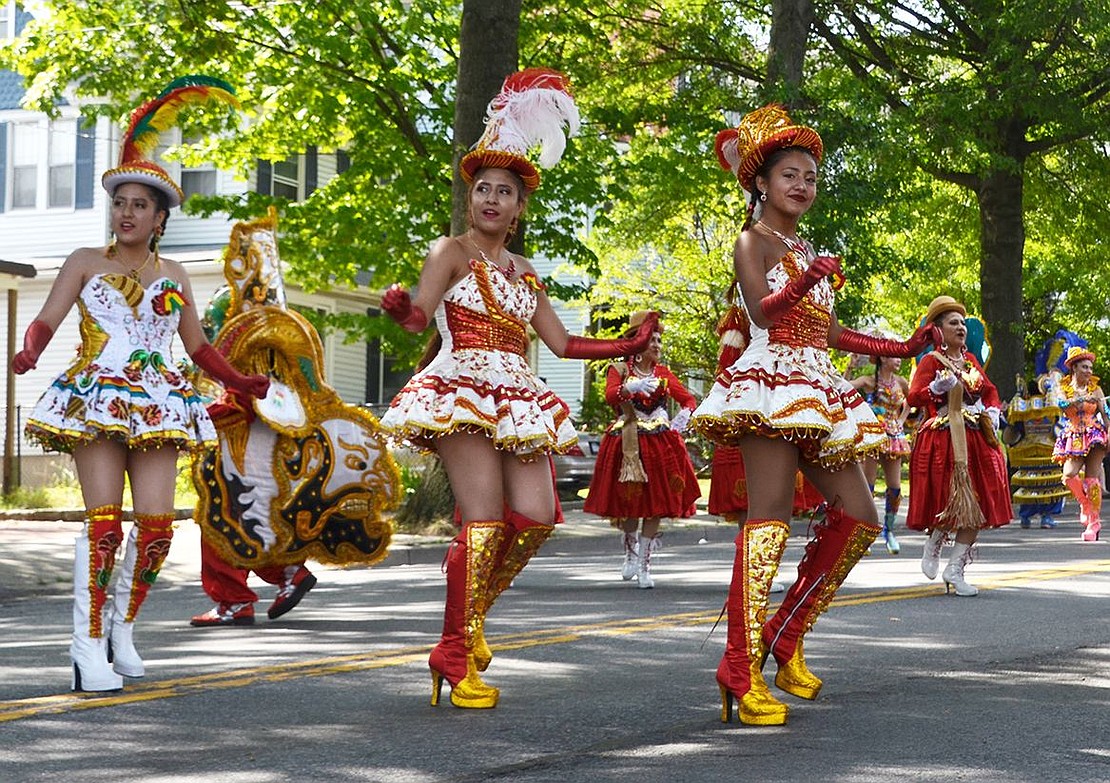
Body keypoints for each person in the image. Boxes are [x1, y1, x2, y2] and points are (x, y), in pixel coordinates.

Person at [379, 69, 658, 710]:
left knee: (533, 517)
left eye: (505, 191)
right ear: (470, 197)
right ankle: (453, 652)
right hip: (461, 389)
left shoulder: (526, 272)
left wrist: (628, 344)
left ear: (520, 205)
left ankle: (469, 623)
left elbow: (562, 345)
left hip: (517, 395)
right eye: (483, 189)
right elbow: (423, 312)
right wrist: (402, 311)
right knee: (480, 523)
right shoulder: (450, 251)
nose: (492, 200)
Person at [11, 77, 270, 692]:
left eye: (139, 205)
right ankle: (85, 644)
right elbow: (47, 320)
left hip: (161, 403)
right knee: (105, 523)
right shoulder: (83, 261)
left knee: (156, 529)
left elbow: (198, 347)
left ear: (159, 219)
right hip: (97, 394)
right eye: (120, 202)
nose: (126, 213)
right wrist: (28, 350)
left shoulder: (176, 271)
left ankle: (121, 629)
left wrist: (241, 381)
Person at [691, 104, 939, 726]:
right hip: (769, 385)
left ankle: (785, 633)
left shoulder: (802, 247)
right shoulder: (753, 241)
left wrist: (902, 347)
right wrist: (807, 281)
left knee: (859, 516)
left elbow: (827, 332)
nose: (802, 185)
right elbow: (765, 312)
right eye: (789, 175)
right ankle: (738, 666)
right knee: (768, 524)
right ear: (761, 183)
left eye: (810, 176)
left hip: (815, 385)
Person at [583, 311, 700, 588]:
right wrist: (628, 387)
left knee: (656, 504)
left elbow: (688, 399)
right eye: (652, 340)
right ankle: (630, 551)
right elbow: (610, 395)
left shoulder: (663, 374)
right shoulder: (619, 370)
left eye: (659, 340)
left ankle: (645, 564)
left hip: (659, 445)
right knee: (629, 502)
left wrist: (685, 414)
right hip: (628, 442)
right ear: (637, 343)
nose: (658, 345)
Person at [906, 296, 1012, 596]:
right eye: (953, 322)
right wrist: (933, 389)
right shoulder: (930, 361)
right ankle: (935, 540)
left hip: (974, 436)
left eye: (963, 323)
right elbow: (913, 397)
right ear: (938, 330)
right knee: (948, 497)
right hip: (943, 436)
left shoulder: (971, 362)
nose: (961, 327)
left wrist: (992, 409)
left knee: (977, 502)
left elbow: (989, 391)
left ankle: (955, 569)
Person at [850, 352, 912, 553]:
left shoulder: (901, 382)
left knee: (894, 487)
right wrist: (850, 366)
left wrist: (902, 420)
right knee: (867, 483)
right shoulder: (869, 381)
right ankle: (862, 532)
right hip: (873, 435)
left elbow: (913, 400)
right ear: (883, 359)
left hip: (894, 437)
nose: (899, 360)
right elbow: (845, 387)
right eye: (894, 356)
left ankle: (889, 531)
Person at [1050, 346, 1107, 542]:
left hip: (1095, 435)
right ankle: (1084, 503)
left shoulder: (1096, 389)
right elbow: (1062, 404)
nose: (1089, 371)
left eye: (1090, 367)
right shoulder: (1064, 388)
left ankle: (1094, 522)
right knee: (1068, 474)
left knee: (1092, 479)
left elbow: (1106, 413)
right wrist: (1081, 398)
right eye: (1084, 367)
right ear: (1074, 368)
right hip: (1073, 435)